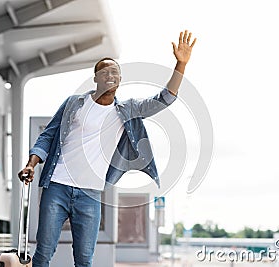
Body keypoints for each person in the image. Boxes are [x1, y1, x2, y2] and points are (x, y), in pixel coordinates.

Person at [18, 30, 196, 267]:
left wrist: (180, 64)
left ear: (120, 79)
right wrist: (31, 164)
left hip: (91, 194)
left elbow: (164, 99)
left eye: (115, 72)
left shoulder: (126, 110)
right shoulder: (74, 103)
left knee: (84, 260)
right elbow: (47, 136)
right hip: (57, 186)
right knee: (43, 254)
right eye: (105, 71)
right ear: (96, 78)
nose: (111, 75)